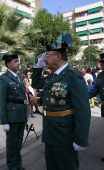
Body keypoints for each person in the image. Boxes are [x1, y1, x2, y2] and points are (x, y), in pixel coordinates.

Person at [32, 32, 91, 170]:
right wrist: (38, 67)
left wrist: (81, 139)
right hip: (50, 132)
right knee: (52, 166)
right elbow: (36, 83)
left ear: (58, 57)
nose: (45, 58)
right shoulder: (51, 77)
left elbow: (82, 110)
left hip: (65, 135)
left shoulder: (73, 77)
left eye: (47, 55)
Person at [0, 54, 27, 170]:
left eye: (18, 61)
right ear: (8, 64)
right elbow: (0, 101)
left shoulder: (19, 77)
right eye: (15, 61)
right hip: (12, 116)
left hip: (21, 115)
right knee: (12, 145)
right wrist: (4, 121)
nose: (18, 63)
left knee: (18, 143)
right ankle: (13, 167)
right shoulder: (3, 79)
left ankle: (18, 165)